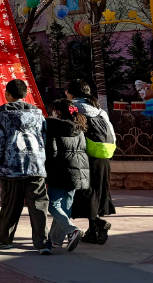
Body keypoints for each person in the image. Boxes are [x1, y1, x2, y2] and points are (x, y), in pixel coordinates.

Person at [0, 79, 51, 254]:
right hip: (36, 166)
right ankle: (43, 243)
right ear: (26, 94)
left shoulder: (1, 115)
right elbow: (44, 138)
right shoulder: (38, 114)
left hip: (11, 167)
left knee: (11, 205)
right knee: (39, 205)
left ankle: (4, 238)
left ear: (7, 94)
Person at [68, 79, 116, 245]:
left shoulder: (72, 108)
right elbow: (112, 133)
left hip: (84, 157)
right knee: (97, 191)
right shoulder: (98, 109)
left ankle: (98, 223)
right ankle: (93, 231)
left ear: (71, 93)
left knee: (85, 193)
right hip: (103, 156)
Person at [45, 98, 89, 252]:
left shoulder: (54, 127)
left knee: (52, 204)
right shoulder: (79, 126)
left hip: (60, 170)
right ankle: (56, 240)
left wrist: (46, 171)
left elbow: (52, 152)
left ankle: (72, 230)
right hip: (79, 170)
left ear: (58, 112)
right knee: (66, 204)